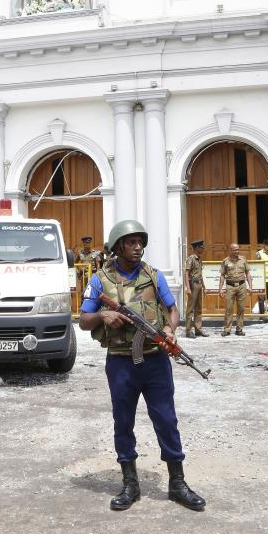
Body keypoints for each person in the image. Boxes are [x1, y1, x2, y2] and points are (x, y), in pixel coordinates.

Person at [79, 219, 205, 512]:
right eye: (132, 242)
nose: (138, 248)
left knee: (166, 419)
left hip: (156, 362)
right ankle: (129, 483)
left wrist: (171, 330)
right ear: (118, 246)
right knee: (123, 422)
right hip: (121, 363)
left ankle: (177, 483)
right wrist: (102, 317)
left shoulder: (153, 275)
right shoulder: (100, 280)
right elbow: (84, 320)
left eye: (141, 243)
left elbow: (171, 310)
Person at [219, 244, 252, 336]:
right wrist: (220, 289)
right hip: (230, 286)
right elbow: (222, 275)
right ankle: (227, 329)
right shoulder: (225, 261)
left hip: (242, 285)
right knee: (229, 309)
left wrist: (250, 286)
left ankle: (239, 329)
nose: (237, 251)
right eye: (235, 250)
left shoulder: (243, 259)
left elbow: (248, 273)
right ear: (230, 250)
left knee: (241, 308)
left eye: (238, 249)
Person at [184, 240, 208, 338]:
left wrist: (204, 287)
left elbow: (200, 274)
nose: (203, 249)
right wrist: (188, 288)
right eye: (202, 247)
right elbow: (186, 274)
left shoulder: (199, 259)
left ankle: (198, 329)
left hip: (198, 284)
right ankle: (188, 331)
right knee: (190, 309)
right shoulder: (191, 259)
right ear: (197, 247)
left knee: (198, 308)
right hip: (193, 285)